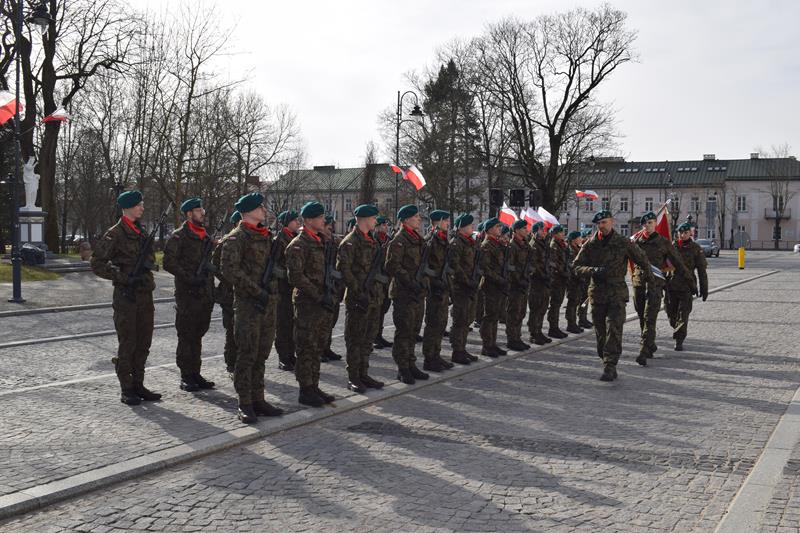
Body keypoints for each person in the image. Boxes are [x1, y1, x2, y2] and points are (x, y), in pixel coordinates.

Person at [90, 190, 161, 405]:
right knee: (128, 342)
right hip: (126, 295)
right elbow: (97, 263)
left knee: (144, 341)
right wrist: (121, 277)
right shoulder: (115, 233)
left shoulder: (141, 232)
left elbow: (149, 259)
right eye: (139, 205)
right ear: (128, 207)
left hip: (144, 293)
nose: (142, 208)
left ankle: (139, 383)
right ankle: (126, 387)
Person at [220, 192, 284, 423]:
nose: (264, 211)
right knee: (247, 354)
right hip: (249, 305)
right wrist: (257, 291)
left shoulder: (265, 237)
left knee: (262, 354)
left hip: (268, 303)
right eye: (260, 208)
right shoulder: (236, 239)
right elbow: (230, 271)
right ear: (248, 211)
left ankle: (258, 398)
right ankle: (245, 402)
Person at [573, 210, 653, 381]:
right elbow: (576, 266)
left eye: (604, 222)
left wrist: (650, 282)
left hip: (617, 293)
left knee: (614, 329)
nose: (601, 226)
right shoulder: (590, 245)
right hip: (597, 294)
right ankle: (606, 358)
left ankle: (610, 365)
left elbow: (642, 260)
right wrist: (592, 270)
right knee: (601, 333)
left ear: (612, 222)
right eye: (599, 224)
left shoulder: (623, 243)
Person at [285, 201, 337, 407]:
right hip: (308, 303)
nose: (324, 220)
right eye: (320, 217)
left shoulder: (320, 242)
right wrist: (317, 294)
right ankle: (305, 390)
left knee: (318, 346)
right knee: (306, 347)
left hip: (321, 301)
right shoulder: (298, 245)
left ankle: (314, 385)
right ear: (308, 221)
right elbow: (296, 276)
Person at [163, 197, 216, 392]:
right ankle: (186, 375)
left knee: (198, 334)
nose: (202, 212)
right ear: (189, 214)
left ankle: (196, 372)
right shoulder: (179, 236)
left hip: (205, 293)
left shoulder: (206, 236)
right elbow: (169, 262)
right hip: (188, 293)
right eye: (198, 210)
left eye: (202, 209)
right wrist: (189, 277)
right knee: (186, 335)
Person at [337, 204, 386, 393]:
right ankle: (354, 377)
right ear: (365, 219)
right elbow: (344, 271)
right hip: (358, 299)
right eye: (374, 218)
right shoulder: (350, 242)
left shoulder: (372, 241)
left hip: (373, 298)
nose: (376, 221)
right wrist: (359, 292)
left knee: (368, 339)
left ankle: (364, 374)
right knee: (355, 339)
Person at [631, 211, 689, 365]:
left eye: (650, 223)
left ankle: (644, 349)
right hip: (638, 284)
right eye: (645, 223)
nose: (648, 225)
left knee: (650, 317)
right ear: (642, 225)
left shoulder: (663, 242)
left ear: (655, 224)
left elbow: (678, 262)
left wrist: (690, 280)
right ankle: (650, 343)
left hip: (655, 285)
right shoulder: (635, 241)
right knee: (642, 316)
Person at [385, 204, 429, 384]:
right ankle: (402, 368)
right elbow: (392, 265)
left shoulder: (417, 239)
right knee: (404, 332)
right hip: (404, 292)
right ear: (406, 220)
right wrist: (410, 281)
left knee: (414, 331)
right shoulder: (399, 240)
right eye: (416, 216)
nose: (419, 219)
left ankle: (411, 363)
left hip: (417, 292)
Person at [666, 222, 708, 350]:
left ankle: (679, 340)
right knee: (671, 315)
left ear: (690, 233)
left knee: (683, 315)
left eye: (685, 232)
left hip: (686, 286)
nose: (682, 235)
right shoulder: (671, 247)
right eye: (680, 232)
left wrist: (704, 288)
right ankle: (677, 328)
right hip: (671, 286)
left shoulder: (696, 248)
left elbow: (702, 270)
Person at [421, 210, 455, 372]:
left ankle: (436, 354)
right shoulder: (430, 241)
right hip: (434, 289)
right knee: (433, 323)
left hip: (443, 287)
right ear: (438, 221)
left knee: (441, 323)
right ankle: (429, 358)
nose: (448, 223)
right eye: (446, 221)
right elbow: (425, 267)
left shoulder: (443, 240)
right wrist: (434, 283)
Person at [211, 210, 241, 376]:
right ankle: (231, 363)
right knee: (231, 331)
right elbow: (215, 266)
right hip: (229, 293)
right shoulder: (226, 242)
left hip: (242, 292)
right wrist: (229, 279)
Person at [449, 214, 480, 365]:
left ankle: (462, 348)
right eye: (469, 225)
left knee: (467, 318)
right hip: (460, 287)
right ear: (462, 227)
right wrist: (467, 281)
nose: (472, 227)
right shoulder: (457, 243)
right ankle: (457, 351)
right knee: (459, 319)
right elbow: (455, 266)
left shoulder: (470, 243)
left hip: (470, 285)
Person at [273, 210, 301, 372]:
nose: (298, 223)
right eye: (295, 220)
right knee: (283, 325)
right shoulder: (279, 240)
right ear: (287, 222)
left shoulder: (293, 238)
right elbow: (274, 265)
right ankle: (283, 357)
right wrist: (287, 275)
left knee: (292, 323)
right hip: (282, 289)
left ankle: (291, 354)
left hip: (292, 288)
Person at [478, 217, 509, 358]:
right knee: (489, 316)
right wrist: (499, 279)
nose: (499, 229)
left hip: (498, 285)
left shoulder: (497, 244)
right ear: (489, 229)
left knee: (495, 316)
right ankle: (487, 345)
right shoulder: (486, 245)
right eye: (497, 227)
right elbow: (486, 268)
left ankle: (493, 344)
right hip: (490, 285)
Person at [506, 219, 533, 351]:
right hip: (515, 286)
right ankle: (512, 339)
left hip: (523, 284)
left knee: (521, 312)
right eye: (523, 228)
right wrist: (518, 280)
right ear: (516, 231)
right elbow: (510, 267)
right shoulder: (512, 246)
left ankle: (517, 337)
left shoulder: (525, 245)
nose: (526, 230)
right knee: (514, 313)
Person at [321, 214, 343, 362]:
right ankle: (320, 350)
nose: (331, 228)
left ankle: (326, 347)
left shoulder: (335, 242)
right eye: (329, 226)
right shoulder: (316, 242)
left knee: (331, 320)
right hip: (321, 288)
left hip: (334, 287)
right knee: (321, 323)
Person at [527, 221, 551, 345]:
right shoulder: (534, 245)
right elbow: (534, 264)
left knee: (542, 307)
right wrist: (542, 275)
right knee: (535, 307)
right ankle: (533, 333)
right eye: (542, 229)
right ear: (536, 231)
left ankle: (539, 331)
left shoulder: (543, 244)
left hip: (544, 280)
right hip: (537, 281)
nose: (544, 231)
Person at [373, 215, 394, 349]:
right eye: (384, 225)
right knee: (376, 311)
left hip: (387, 281)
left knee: (384, 309)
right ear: (378, 226)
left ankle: (379, 335)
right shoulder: (374, 240)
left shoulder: (388, 240)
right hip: (377, 281)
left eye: (386, 225)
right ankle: (374, 337)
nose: (386, 227)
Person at [546, 225, 569, 339]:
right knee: (555, 304)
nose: (563, 234)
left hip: (561, 278)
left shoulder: (561, 245)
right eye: (560, 232)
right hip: (556, 279)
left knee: (558, 303)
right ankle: (553, 328)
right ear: (554, 234)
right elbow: (553, 263)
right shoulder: (554, 245)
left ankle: (555, 327)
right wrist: (563, 271)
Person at [564, 230, 586, 334]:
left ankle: (574, 323)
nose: (581, 239)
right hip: (573, 281)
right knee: (572, 303)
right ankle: (570, 324)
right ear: (573, 240)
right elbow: (572, 267)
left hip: (578, 280)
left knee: (576, 301)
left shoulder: (577, 249)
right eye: (579, 237)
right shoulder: (570, 251)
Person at [577, 228, 594, 329]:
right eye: (587, 236)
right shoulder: (582, 248)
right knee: (581, 300)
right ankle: (580, 319)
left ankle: (583, 318)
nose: (589, 238)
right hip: (582, 278)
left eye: (590, 236)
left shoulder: (588, 248)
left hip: (588, 278)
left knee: (586, 300)